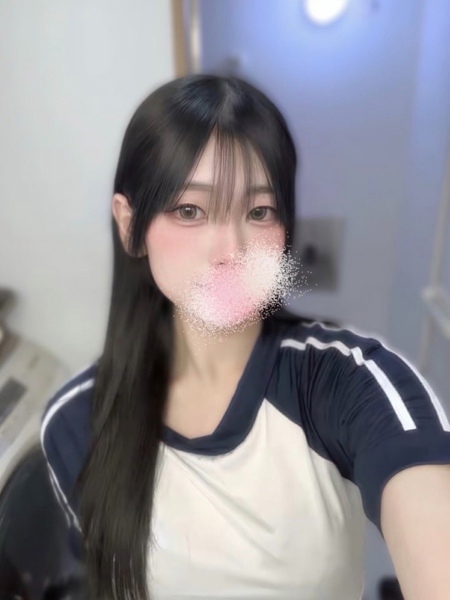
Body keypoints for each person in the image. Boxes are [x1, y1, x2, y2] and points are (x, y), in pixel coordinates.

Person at [40, 75, 450, 600]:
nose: (230, 251)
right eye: (190, 210)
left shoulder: (347, 381)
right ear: (129, 224)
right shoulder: (75, 421)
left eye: (258, 212)